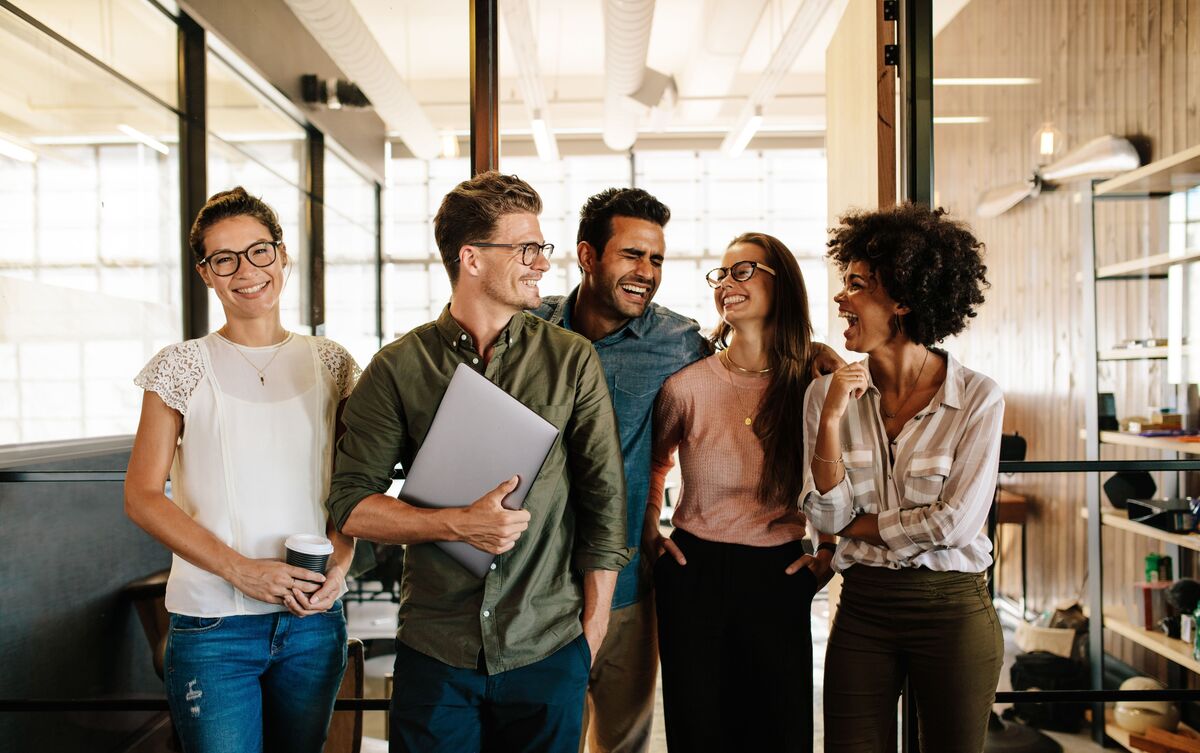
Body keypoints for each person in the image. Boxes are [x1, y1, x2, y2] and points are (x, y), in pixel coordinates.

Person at [324, 171, 630, 753]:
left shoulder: (572, 361)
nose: (542, 262)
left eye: (542, 247)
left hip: (548, 645)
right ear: (472, 258)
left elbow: (605, 505)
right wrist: (456, 523)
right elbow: (351, 504)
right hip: (437, 650)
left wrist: (591, 632)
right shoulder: (397, 368)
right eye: (527, 249)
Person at [125, 187, 358, 753]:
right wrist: (242, 571)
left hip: (312, 621)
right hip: (212, 627)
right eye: (223, 259)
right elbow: (142, 496)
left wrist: (339, 564)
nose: (246, 271)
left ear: (282, 257)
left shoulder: (334, 363)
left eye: (258, 251)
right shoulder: (180, 366)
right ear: (207, 274)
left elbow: (358, 486)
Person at [801, 203, 1004, 753]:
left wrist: (855, 525)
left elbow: (956, 525)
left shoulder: (977, 398)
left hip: (953, 609)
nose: (841, 297)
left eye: (857, 285)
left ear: (905, 300)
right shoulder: (826, 396)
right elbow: (822, 516)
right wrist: (832, 417)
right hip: (863, 607)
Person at [531, 188, 710, 753]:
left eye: (656, 259)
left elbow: (753, 365)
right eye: (632, 255)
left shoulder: (677, 342)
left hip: (630, 584)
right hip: (532, 588)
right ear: (587, 256)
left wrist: (820, 359)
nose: (647, 272)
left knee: (622, 743)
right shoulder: (527, 329)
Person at [644, 232, 838, 753]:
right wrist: (650, 534)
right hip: (693, 572)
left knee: (780, 731)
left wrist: (831, 551)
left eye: (743, 271)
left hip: (778, 572)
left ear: (783, 284)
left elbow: (848, 479)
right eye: (721, 275)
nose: (727, 283)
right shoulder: (686, 386)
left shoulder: (814, 381)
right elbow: (655, 465)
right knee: (698, 731)